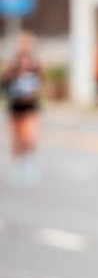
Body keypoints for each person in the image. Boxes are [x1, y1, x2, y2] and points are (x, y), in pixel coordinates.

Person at [2, 29, 44, 185]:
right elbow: (5, 85)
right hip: (15, 106)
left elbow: (40, 83)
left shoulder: (35, 65)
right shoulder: (11, 66)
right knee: (16, 138)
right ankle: (17, 165)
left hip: (30, 106)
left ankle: (29, 163)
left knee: (30, 136)